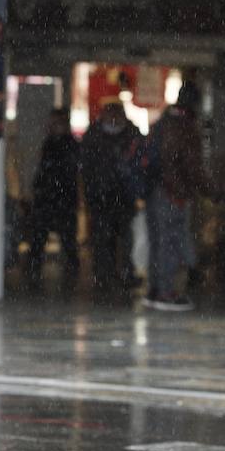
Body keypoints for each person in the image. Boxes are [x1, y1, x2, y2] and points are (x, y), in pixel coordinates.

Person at [143, 96, 206, 311]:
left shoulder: (161, 124)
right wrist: (209, 190)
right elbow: (189, 164)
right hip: (171, 193)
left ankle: (155, 290)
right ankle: (166, 292)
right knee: (170, 242)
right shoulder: (183, 128)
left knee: (158, 242)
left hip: (154, 190)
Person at [80, 101, 139, 301]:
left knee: (123, 237)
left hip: (122, 196)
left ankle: (121, 272)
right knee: (103, 238)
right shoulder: (95, 136)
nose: (113, 119)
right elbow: (86, 167)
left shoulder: (130, 134)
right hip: (102, 196)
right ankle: (105, 274)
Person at [25, 108, 81, 290]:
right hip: (51, 198)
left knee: (64, 239)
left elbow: (61, 171)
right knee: (42, 237)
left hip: (60, 198)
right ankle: (35, 272)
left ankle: (67, 275)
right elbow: (45, 170)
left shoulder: (66, 145)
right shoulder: (51, 143)